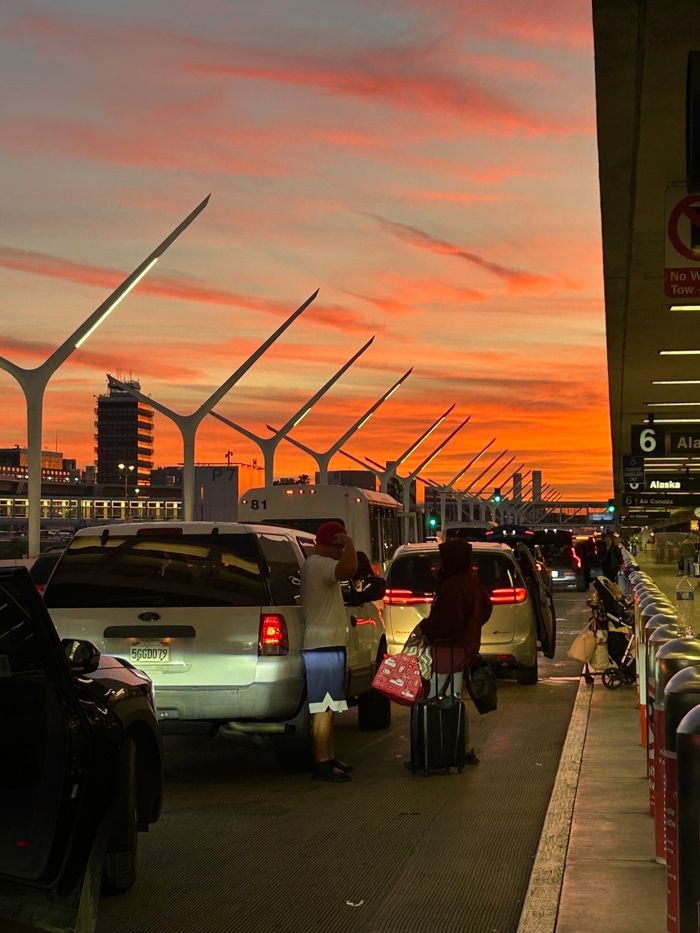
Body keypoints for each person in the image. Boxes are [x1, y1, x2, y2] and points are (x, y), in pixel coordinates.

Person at [413, 539, 492, 765]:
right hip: (464, 646)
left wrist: (426, 627)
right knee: (453, 697)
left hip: (449, 649)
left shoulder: (453, 585)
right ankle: (464, 746)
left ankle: (438, 750)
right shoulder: (471, 581)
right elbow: (486, 608)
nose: (440, 562)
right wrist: (473, 626)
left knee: (437, 698)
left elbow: (448, 621)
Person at [300, 520, 357, 783]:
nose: (339, 551)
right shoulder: (318, 564)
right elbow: (351, 568)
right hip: (321, 646)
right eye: (337, 546)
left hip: (328, 644)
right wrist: (349, 544)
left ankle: (329, 757)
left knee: (330, 705)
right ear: (331, 544)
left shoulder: (318, 565)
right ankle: (321, 763)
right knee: (322, 708)